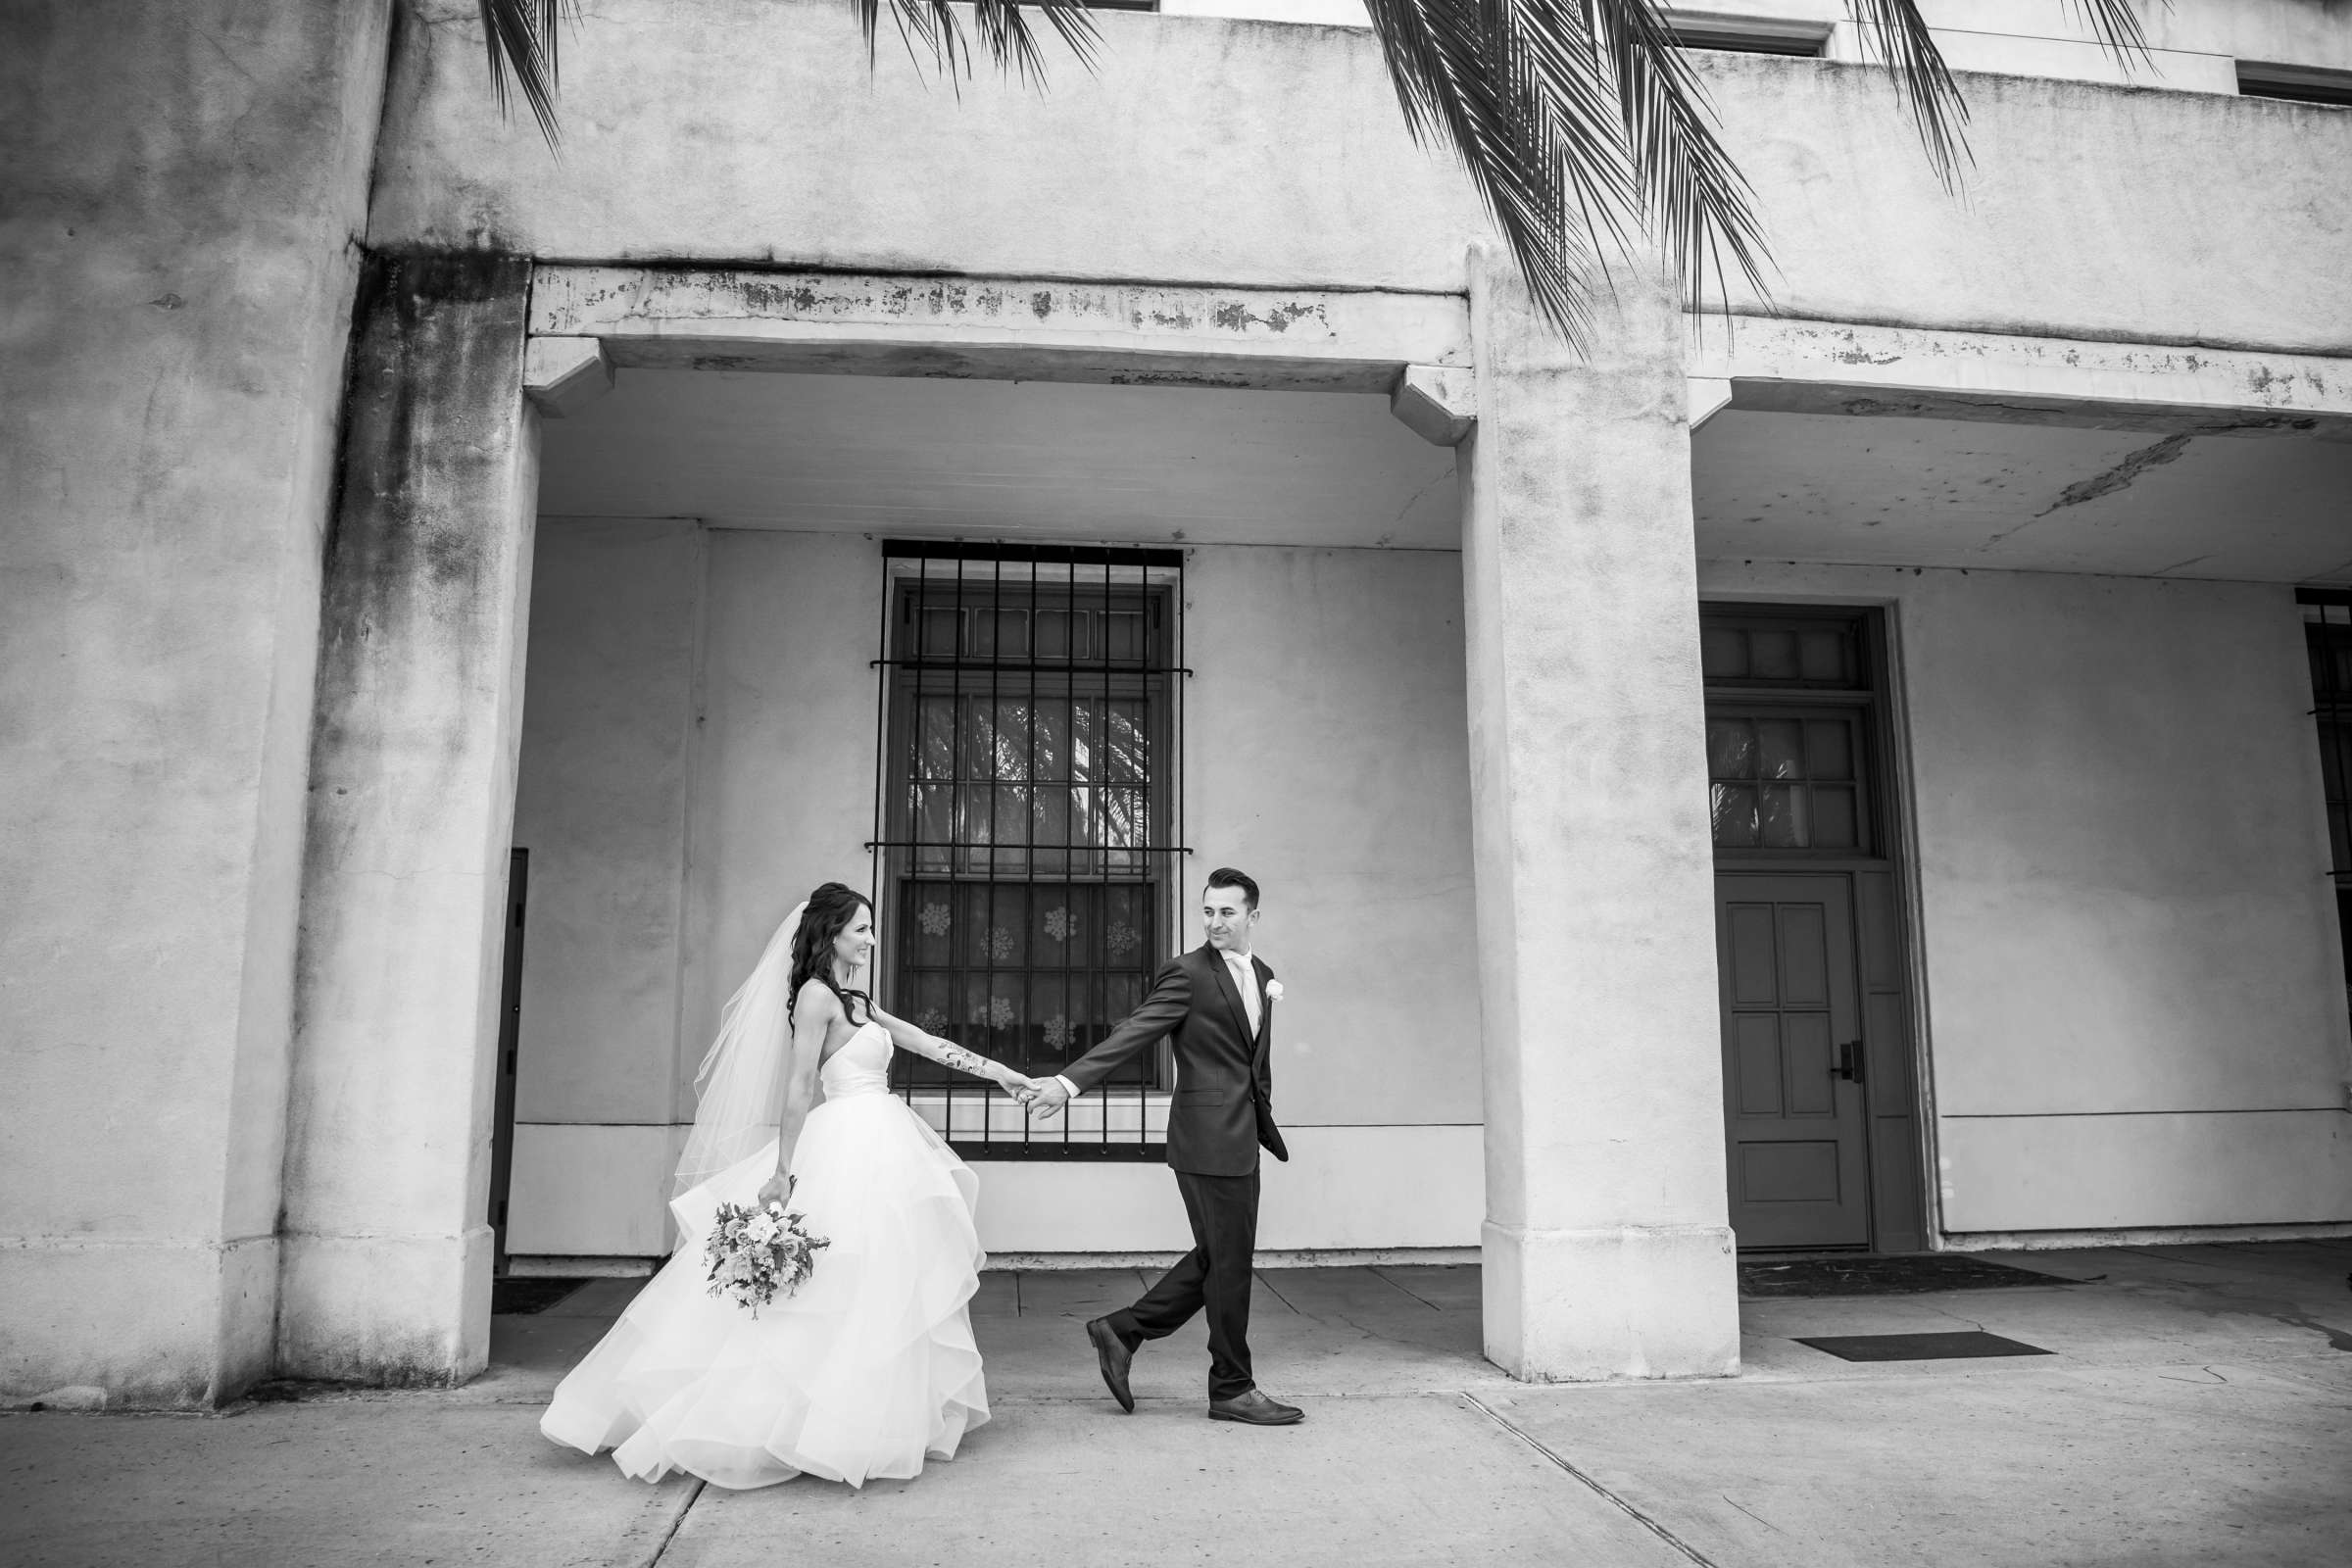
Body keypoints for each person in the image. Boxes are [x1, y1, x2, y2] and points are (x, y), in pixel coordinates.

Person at [539, 883, 1043, 1489]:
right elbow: (800, 1086)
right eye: (862, 929)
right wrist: (783, 1170)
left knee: (877, 1281)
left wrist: (1009, 1077)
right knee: (826, 1288)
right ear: (832, 934)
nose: (872, 939)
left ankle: (859, 1422)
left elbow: (929, 1044)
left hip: (884, 1142)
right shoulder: (814, 998)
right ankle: (783, 1421)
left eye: (872, 928)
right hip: (843, 1146)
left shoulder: (857, 999)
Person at [1027, 867, 1300, 1426]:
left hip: (1242, 1137)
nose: (1215, 922)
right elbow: (1135, 1031)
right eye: (1207, 911)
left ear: (1253, 916)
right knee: (1229, 1263)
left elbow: (1253, 1061)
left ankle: (1122, 1330)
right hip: (1204, 1139)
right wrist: (1068, 1082)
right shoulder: (1188, 974)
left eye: (1227, 912)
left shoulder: (1263, 974)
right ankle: (1230, 1387)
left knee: (1221, 1260)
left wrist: (1262, 1119)